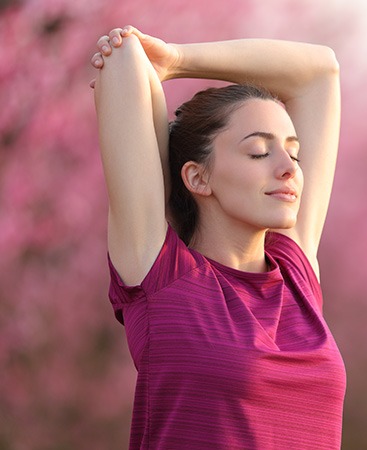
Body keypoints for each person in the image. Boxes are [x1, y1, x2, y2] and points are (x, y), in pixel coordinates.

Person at [90, 25, 346, 449]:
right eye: (260, 152)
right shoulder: (163, 278)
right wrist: (138, 55)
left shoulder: (297, 278)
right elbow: (124, 61)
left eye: (294, 152)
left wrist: (178, 58)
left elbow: (320, 71)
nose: (289, 168)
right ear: (197, 176)